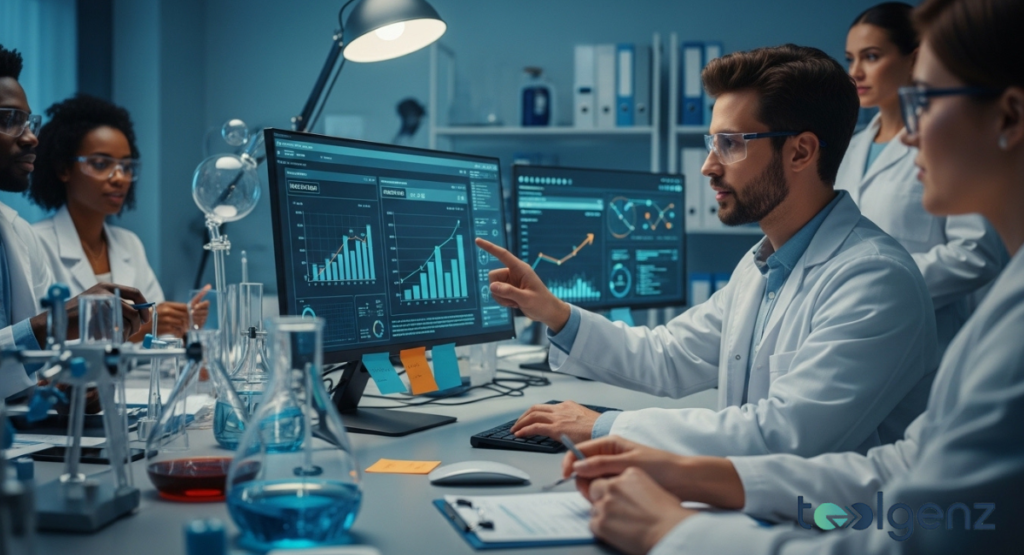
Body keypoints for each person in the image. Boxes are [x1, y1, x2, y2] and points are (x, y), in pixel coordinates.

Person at [566, 0, 1023, 552]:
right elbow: (898, 472)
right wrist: (692, 474)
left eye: (922, 101)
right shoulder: (762, 265)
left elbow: (925, 536)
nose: (904, 135)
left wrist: (677, 531)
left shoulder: (885, 281)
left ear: (1009, 117)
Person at [476, 43, 938, 459]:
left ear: (800, 152)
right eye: (711, 142)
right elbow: (668, 356)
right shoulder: (762, 265)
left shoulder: (874, 280)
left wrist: (602, 425)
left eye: (730, 144)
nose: (708, 166)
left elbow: (783, 434)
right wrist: (554, 313)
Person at [838, 1, 1005, 353]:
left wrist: (877, 280)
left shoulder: (947, 147)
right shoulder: (847, 151)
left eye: (870, 56)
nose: (856, 72)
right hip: (851, 332)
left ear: (913, 59)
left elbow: (976, 253)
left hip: (927, 337)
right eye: (850, 59)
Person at [0, 45, 149, 400]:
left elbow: (44, 369)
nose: (31, 136)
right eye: (8, 120)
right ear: (64, 169)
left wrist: (74, 388)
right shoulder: (39, 236)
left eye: (28, 122)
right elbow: (43, 337)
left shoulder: (18, 235)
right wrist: (47, 326)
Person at [29, 95, 190, 341]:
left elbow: (162, 338)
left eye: (126, 166)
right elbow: (38, 342)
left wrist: (177, 324)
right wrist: (143, 330)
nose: (119, 177)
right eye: (101, 163)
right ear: (64, 169)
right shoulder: (34, 243)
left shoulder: (129, 243)